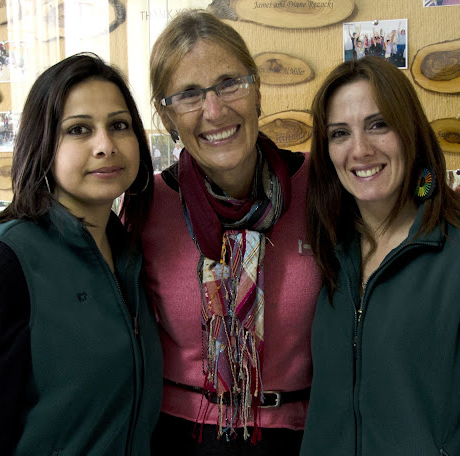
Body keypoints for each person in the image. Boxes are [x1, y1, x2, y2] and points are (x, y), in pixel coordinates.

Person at [301, 57, 460, 456]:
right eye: (340, 133)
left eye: (378, 125)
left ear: (410, 130)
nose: (360, 150)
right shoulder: (331, 248)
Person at [0, 53, 162, 455]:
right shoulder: (0, 262)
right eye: (78, 129)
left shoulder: (129, 253)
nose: (106, 145)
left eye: (119, 125)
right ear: (43, 144)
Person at [137, 9, 322, 455]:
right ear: (167, 117)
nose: (214, 110)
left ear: (257, 91)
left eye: (229, 83)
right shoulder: (148, 204)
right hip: (181, 438)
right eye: (189, 94)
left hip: (300, 436)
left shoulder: (321, 187)